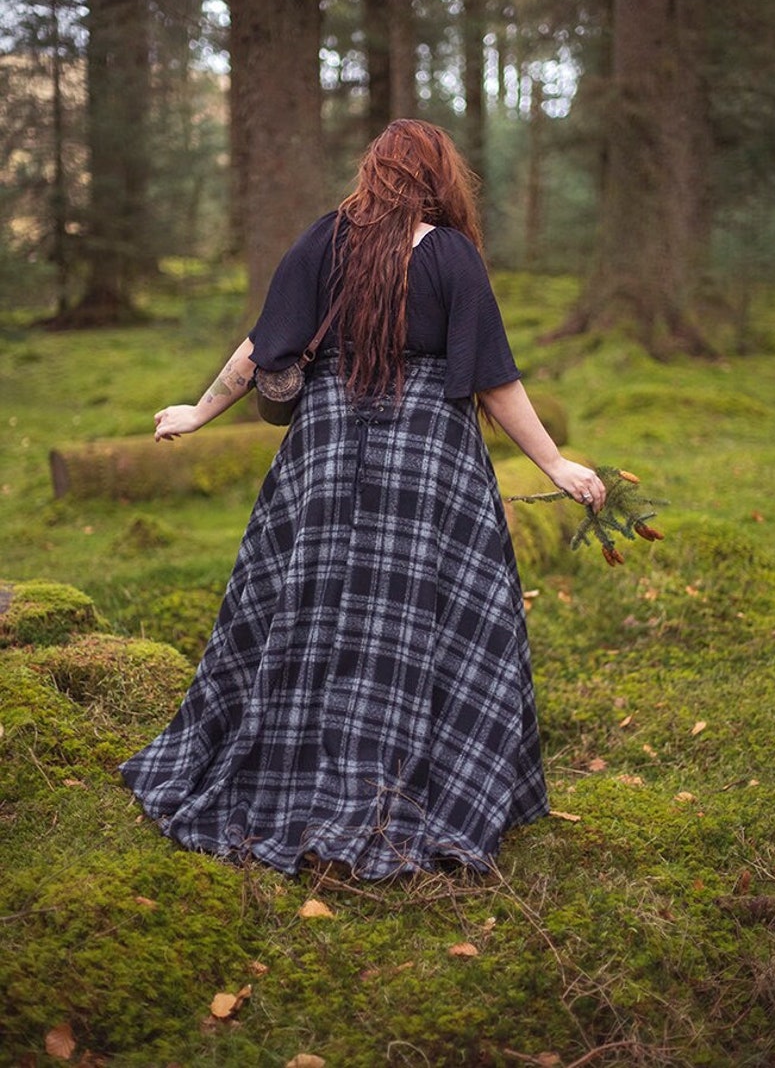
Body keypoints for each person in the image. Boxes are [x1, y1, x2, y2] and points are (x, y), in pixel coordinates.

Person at [120, 119, 605, 879]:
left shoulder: (327, 238)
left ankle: (288, 775)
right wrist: (552, 463)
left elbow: (261, 347)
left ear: (373, 171)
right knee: (416, 618)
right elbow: (492, 378)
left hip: (326, 446)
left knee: (306, 604)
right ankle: (406, 786)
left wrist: (197, 410)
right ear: (441, 177)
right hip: (427, 458)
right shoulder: (451, 255)